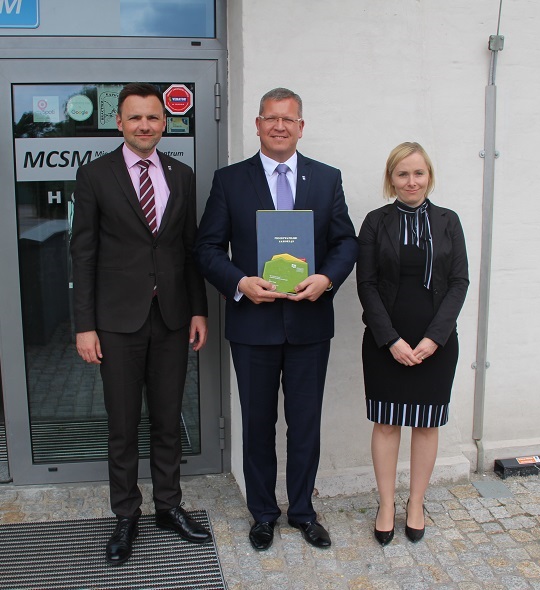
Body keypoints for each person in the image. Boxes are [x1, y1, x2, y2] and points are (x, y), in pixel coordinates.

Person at [195, 88, 358, 551]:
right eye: (271, 118)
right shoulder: (230, 181)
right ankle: (263, 514)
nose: (279, 126)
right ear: (258, 124)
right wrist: (239, 282)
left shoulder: (326, 179)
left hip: (309, 325)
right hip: (253, 326)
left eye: (288, 119)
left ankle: (303, 511)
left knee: (305, 425)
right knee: (258, 426)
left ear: (301, 126)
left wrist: (327, 278)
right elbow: (207, 248)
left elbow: (346, 242)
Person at [71, 83, 211, 565]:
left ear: (164, 123)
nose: (145, 125)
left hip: (171, 317)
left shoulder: (181, 175)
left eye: (153, 117)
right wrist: (84, 325)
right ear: (120, 123)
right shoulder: (95, 175)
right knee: (123, 424)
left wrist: (198, 309)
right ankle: (126, 515)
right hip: (116, 321)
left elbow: (188, 250)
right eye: (135, 118)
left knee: (169, 419)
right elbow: (83, 253)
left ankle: (168, 507)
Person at [356, 142, 468, 546]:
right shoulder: (375, 222)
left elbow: (459, 282)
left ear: (429, 176)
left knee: (425, 424)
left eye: (418, 173)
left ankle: (416, 502)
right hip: (386, 341)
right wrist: (390, 340)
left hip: (436, 342)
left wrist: (434, 338)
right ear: (391, 178)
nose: (411, 181)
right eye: (402, 174)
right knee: (386, 422)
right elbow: (366, 284)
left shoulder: (449, 221)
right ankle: (386, 504)